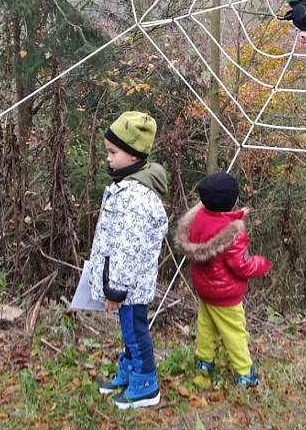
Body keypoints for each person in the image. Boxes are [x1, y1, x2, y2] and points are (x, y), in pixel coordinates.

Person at [89, 111, 168, 409]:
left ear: (133, 155)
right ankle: (130, 370)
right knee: (129, 331)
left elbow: (127, 246)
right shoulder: (126, 188)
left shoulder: (135, 196)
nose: (108, 158)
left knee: (136, 332)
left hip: (130, 285)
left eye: (113, 152)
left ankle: (146, 384)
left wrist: (116, 288)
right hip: (125, 282)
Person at [175, 172, 272, 387]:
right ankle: (245, 373)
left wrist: (238, 215)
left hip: (204, 288)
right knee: (235, 332)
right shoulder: (233, 234)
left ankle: (203, 369)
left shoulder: (200, 218)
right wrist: (262, 264)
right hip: (225, 294)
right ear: (230, 201)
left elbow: (218, 221)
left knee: (206, 329)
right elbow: (242, 265)